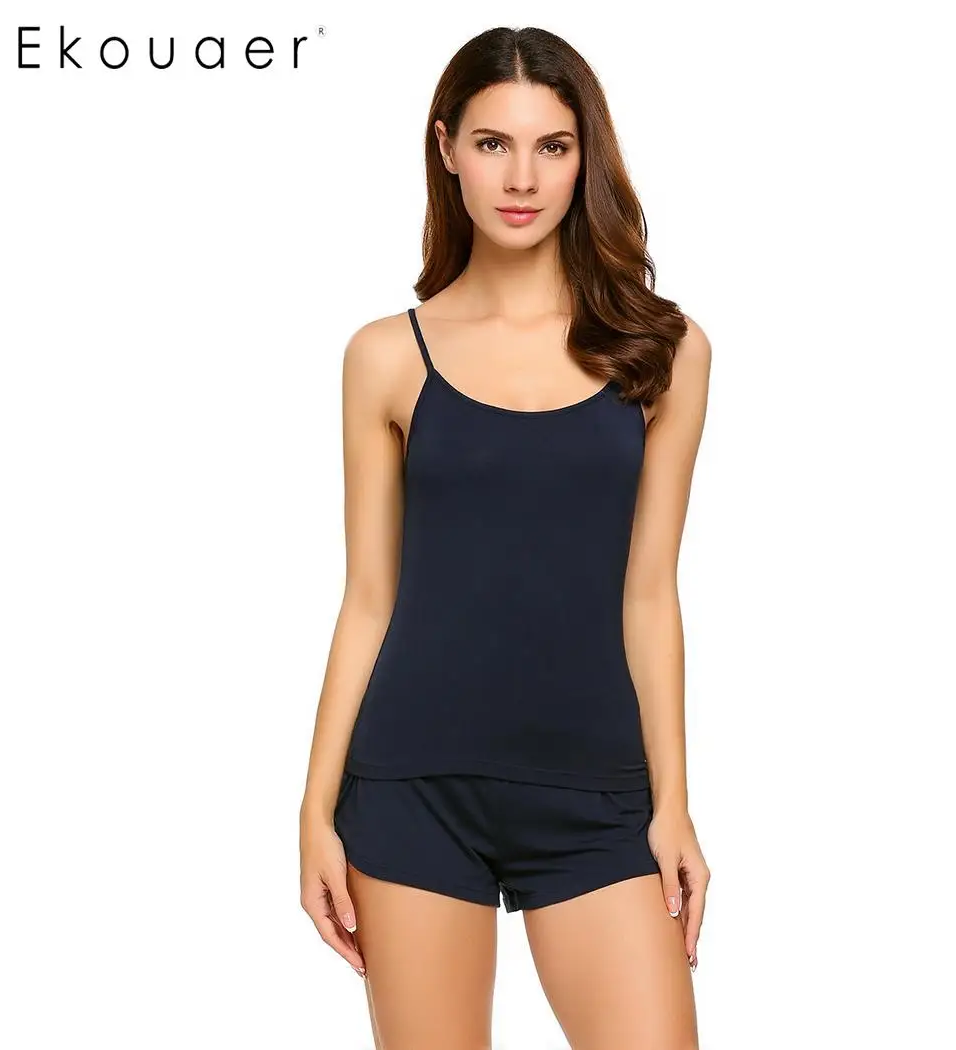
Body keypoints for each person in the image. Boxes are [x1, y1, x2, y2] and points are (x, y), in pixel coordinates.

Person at [300, 25, 712, 1050]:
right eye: (493, 144)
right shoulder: (386, 358)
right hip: (412, 790)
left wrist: (673, 804)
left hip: (597, 797)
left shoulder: (662, 352)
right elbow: (369, 600)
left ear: (585, 156)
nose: (522, 177)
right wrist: (314, 809)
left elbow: (650, 594)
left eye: (552, 146)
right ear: (447, 148)